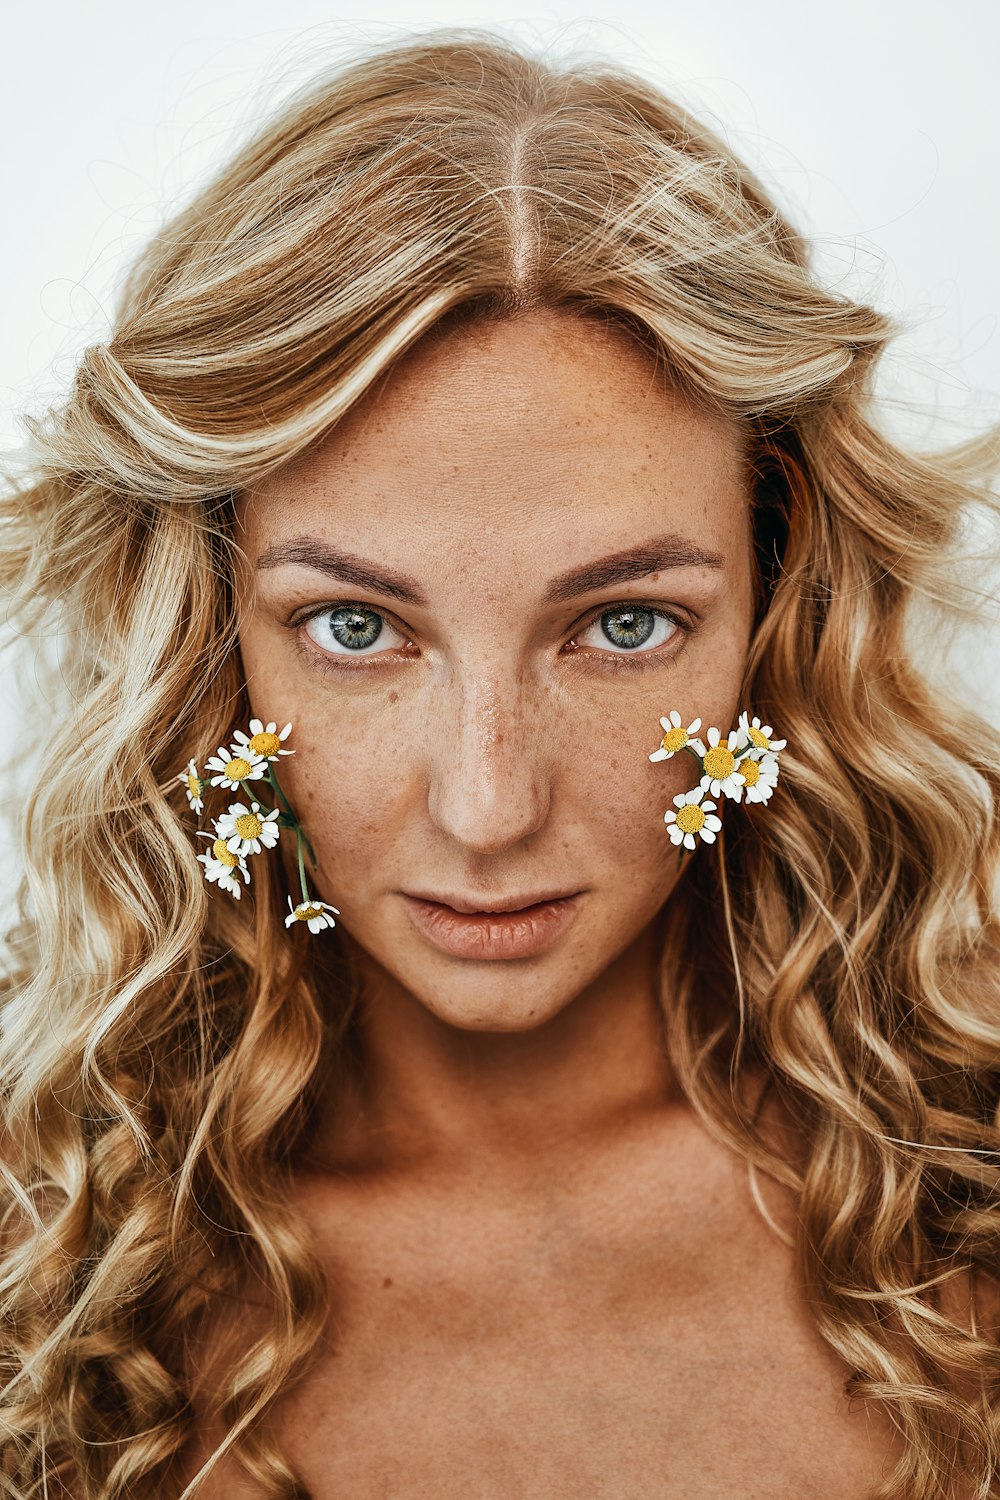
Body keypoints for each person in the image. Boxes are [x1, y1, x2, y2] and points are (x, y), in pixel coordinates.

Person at [1, 26, 998, 1500]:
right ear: (205, 633)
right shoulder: (46, 1269)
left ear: (784, 599)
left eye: (625, 623)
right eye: (355, 627)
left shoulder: (968, 1209)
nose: (487, 807)